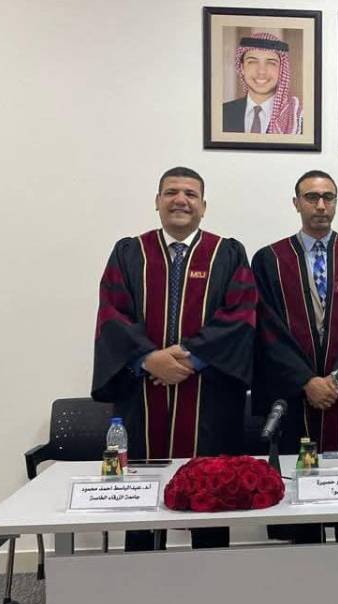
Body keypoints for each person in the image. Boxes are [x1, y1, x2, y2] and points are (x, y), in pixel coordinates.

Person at [92, 166, 257, 550]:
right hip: (142, 396)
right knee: (140, 503)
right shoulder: (129, 252)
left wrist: (192, 357)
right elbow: (112, 313)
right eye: (171, 192)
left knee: (212, 494)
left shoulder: (228, 253)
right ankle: (140, 575)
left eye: (190, 194)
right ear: (157, 201)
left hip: (209, 397)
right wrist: (148, 358)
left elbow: (242, 314)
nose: (180, 200)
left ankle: (210, 576)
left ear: (203, 206)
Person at [252, 170, 338, 544]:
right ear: (296, 203)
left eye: (329, 197)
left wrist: (337, 378)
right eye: (312, 197)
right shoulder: (270, 259)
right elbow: (267, 329)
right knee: (299, 513)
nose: (321, 205)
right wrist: (306, 381)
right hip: (295, 399)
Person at [222, 32, 302, 134]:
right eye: (252, 62)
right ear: (242, 68)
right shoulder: (221, 113)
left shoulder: (296, 118)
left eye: (271, 63)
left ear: (281, 70)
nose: (261, 71)